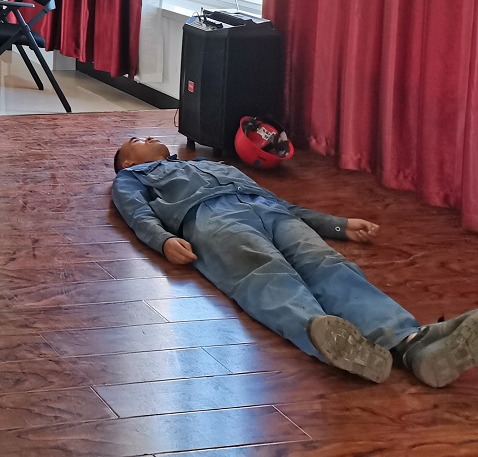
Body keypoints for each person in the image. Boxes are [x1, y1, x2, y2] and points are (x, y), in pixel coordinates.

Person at [112, 137, 478, 386]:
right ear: (128, 160)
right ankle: (324, 335)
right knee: (265, 271)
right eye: (138, 140)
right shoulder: (132, 177)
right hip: (209, 219)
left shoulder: (211, 164)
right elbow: (136, 213)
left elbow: (280, 202)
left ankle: (414, 344)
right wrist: (164, 240)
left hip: (271, 211)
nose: (148, 138)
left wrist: (337, 224)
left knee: (327, 263)